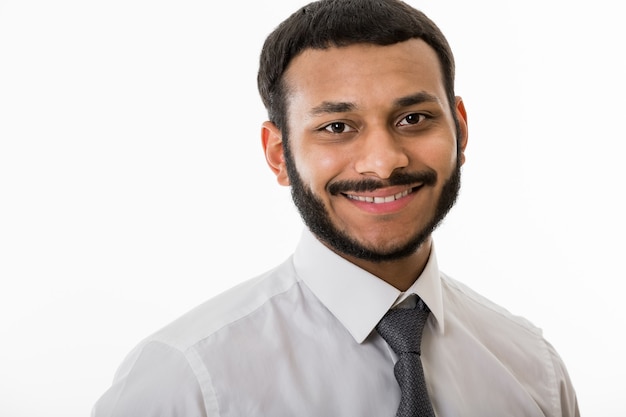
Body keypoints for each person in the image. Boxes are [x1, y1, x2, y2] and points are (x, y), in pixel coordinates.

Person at [92, 0, 579, 415]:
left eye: (413, 118)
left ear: (460, 129)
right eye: (338, 127)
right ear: (279, 155)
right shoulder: (187, 382)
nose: (384, 163)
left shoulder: (533, 370)